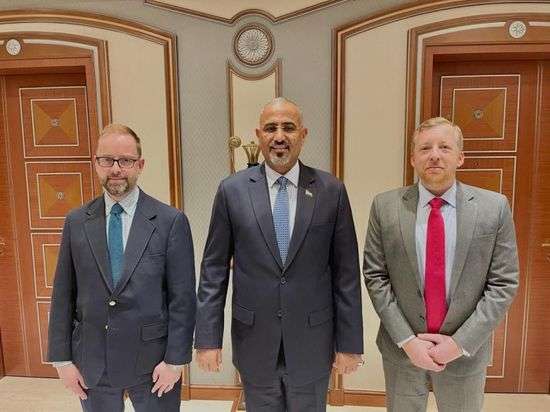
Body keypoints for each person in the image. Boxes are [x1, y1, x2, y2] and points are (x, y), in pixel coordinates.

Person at [195, 97, 364, 411]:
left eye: (289, 127)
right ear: (259, 135)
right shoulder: (232, 190)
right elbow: (213, 270)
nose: (279, 136)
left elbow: (346, 274)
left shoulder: (331, 191)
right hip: (254, 341)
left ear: (303, 134)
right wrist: (207, 339)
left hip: (313, 341)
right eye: (271, 128)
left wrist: (350, 343)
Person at [363, 117, 519, 411]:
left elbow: (504, 283)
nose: (434, 155)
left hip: (465, 352)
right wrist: (408, 341)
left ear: (460, 157)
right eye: (425, 148)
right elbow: (375, 276)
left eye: (444, 147)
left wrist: (459, 343)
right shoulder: (385, 207)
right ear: (413, 159)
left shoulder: (494, 208)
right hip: (403, 351)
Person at [47, 124, 196, 412]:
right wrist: (62, 361)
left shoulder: (170, 221)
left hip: (154, 363)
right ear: (96, 163)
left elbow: (183, 299)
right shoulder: (76, 222)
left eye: (126, 160)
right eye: (107, 160)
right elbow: (63, 294)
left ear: (140, 165)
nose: (116, 169)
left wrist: (175, 361)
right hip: (92, 361)